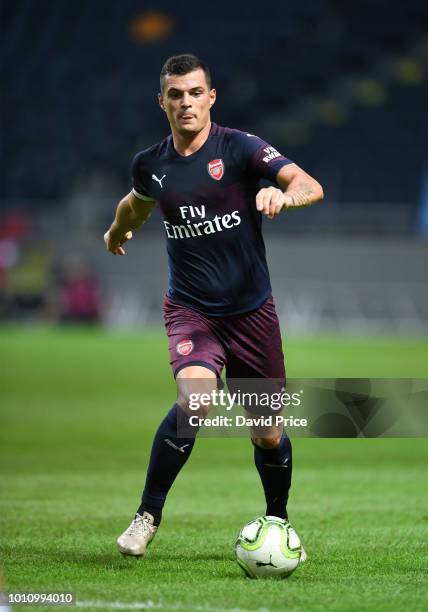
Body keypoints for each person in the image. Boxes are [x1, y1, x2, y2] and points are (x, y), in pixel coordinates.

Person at [104, 54, 323, 559]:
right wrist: (117, 232)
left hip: (252, 314)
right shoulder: (151, 163)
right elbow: (134, 203)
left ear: (211, 98)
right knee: (195, 401)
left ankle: (278, 522)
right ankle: (147, 515)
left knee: (268, 434)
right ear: (162, 101)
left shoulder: (241, 149)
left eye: (195, 93)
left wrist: (284, 197)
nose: (186, 102)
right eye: (176, 94)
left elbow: (309, 183)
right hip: (191, 309)